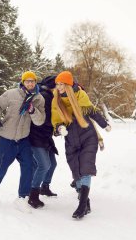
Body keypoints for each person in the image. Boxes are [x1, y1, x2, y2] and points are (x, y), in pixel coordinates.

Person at [51, 71, 111, 219]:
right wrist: (60, 128)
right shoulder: (56, 100)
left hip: (87, 135)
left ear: (69, 85)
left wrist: (104, 124)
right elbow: (55, 118)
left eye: (62, 84)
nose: (59, 87)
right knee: (75, 169)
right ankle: (85, 200)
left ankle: (82, 205)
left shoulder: (80, 96)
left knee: (85, 168)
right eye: (57, 84)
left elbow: (91, 111)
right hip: (70, 138)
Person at [0, 71, 45, 212]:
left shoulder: (39, 99)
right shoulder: (11, 94)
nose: (30, 83)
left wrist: (32, 110)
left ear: (36, 82)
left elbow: (40, 121)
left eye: (33, 81)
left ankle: (22, 198)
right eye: (27, 81)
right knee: (1, 166)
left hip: (24, 138)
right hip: (7, 138)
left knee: (29, 166)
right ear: (23, 82)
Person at [27, 75, 59, 209]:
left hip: (45, 136)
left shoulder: (50, 96)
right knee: (44, 165)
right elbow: (42, 118)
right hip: (36, 136)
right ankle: (33, 196)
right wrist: (55, 125)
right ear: (54, 86)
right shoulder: (45, 97)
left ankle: (45, 187)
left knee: (52, 164)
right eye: (59, 85)